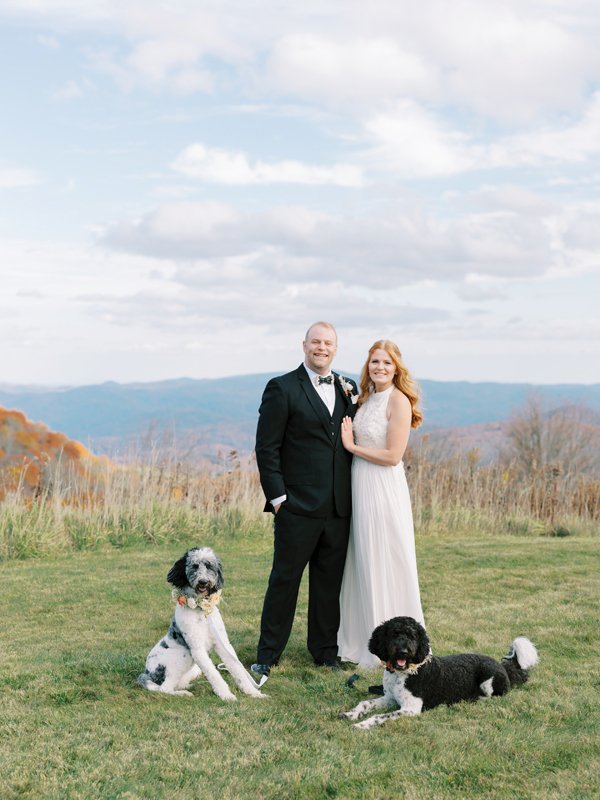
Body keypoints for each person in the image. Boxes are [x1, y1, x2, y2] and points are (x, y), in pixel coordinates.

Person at [251, 322, 358, 678]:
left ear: (335, 348)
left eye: (328, 343)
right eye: (316, 342)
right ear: (304, 345)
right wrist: (279, 498)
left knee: (329, 584)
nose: (321, 348)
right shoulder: (281, 388)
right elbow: (267, 448)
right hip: (296, 507)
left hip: (339, 508)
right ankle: (268, 653)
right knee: (285, 580)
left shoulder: (348, 388)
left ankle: (325, 651)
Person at [337, 339, 425, 668]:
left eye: (387, 363)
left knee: (385, 556)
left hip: (382, 487)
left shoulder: (398, 401)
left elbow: (392, 456)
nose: (380, 368)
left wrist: (351, 446)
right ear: (367, 366)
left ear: (396, 368)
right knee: (361, 559)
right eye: (375, 362)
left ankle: (399, 642)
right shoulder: (365, 399)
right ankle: (359, 639)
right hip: (359, 484)